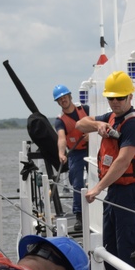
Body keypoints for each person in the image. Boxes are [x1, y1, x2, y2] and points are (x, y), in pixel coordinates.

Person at [76, 70, 135, 270]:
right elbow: (79, 124)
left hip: (131, 194)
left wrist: (97, 188)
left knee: (129, 251)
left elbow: (122, 162)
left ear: (130, 96)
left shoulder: (134, 125)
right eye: (111, 98)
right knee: (109, 248)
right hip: (114, 194)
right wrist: (98, 125)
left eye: (120, 97)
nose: (115, 102)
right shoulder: (110, 118)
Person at [53, 84, 90, 223]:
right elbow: (61, 138)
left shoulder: (85, 109)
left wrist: (91, 135)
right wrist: (61, 153)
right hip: (75, 153)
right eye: (60, 99)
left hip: (92, 150)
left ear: (70, 96)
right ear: (58, 102)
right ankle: (79, 214)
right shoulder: (60, 120)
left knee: (98, 177)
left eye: (64, 97)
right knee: (77, 182)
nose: (63, 100)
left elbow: (98, 123)